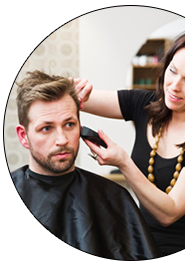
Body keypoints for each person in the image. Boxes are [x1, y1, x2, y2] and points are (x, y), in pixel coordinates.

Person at [73, 26, 185, 260]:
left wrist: (123, 163)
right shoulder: (144, 104)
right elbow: (79, 98)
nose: (174, 86)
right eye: (172, 71)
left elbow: (168, 213)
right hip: (143, 248)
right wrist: (71, 90)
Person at [13, 70, 161, 260]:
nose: (62, 140)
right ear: (23, 136)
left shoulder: (113, 198)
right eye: (46, 128)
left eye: (69, 125)